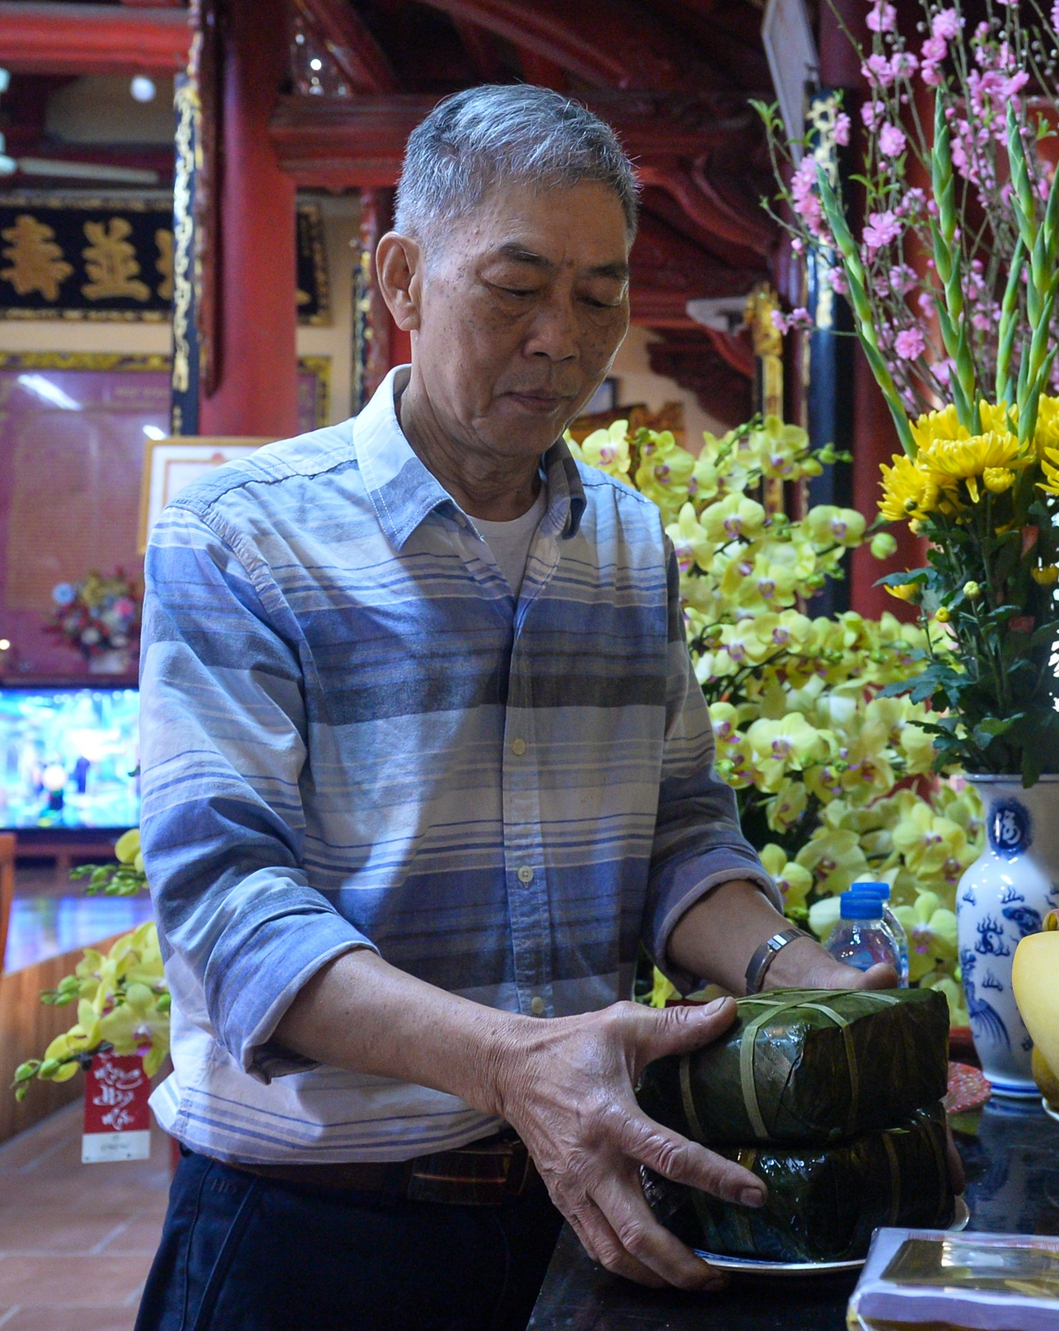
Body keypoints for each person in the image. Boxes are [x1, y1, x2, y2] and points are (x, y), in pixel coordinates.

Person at [132, 85, 893, 1331]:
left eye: (599, 295)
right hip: (315, 1223)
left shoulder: (627, 545)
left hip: (585, 1202)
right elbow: (226, 900)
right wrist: (506, 1061)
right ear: (401, 278)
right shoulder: (243, 537)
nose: (561, 338)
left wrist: (802, 978)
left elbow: (680, 836)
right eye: (515, 285)